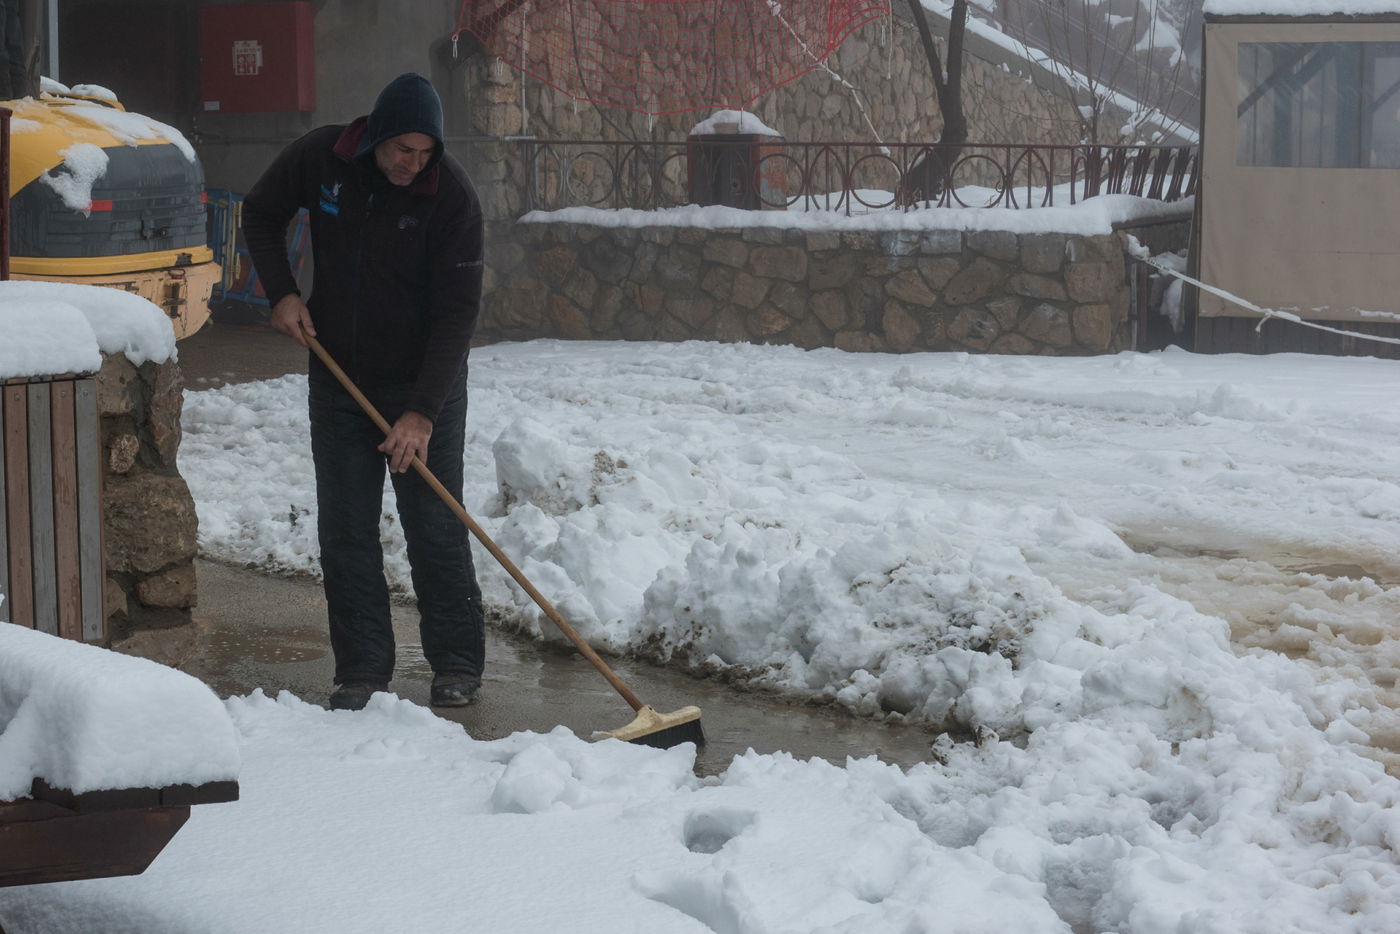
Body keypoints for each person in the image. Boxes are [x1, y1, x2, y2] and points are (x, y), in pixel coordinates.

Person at [241, 73, 486, 711]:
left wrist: (421, 415)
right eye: (403, 149)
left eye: (426, 151)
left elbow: (457, 316)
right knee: (346, 529)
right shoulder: (323, 158)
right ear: (376, 135)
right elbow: (262, 212)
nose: (414, 163)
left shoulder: (450, 197)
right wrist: (282, 290)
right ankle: (362, 669)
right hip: (340, 376)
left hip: (420, 386)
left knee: (434, 523)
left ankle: (457, 662)